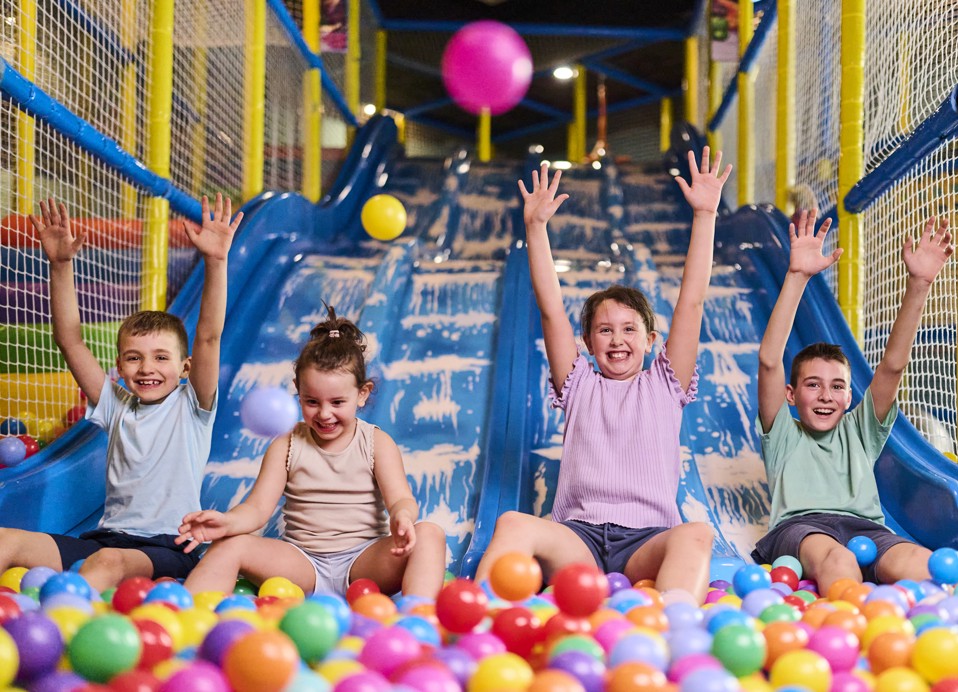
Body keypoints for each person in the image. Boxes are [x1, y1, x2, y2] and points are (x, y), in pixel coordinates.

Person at [474, 147, 732, 606]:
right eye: (604, 330)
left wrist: (706, 215)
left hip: (647, 541)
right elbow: (550, 309)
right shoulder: (579, 384)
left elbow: (692, 301)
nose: (617, 339)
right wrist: (536, 228)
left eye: (629, 329)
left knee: (695, 534)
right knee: (513, 523)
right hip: (580, 540)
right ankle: (476, 618)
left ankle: (675, 627)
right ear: (588, 343)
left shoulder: (667, 383)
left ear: (651, 339)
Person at [0, 193, 241, 593]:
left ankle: (62, 632)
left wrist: (216, 262)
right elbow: (70, 341)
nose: (147, 368)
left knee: (107, 562)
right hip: (105, 539)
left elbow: (209, 336)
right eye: (134, 358)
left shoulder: (193, 405)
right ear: (119, 366)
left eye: (161, 357)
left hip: (167, 546)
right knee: (7, 537)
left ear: (184, 368)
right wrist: (60, 265)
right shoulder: (115, 405)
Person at [176, 307, 447, 599]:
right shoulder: (287, 444)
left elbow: (401, 499)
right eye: (312, 401)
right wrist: (226, 522)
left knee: (430, 534)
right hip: (302, 564)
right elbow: (257, 508)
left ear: (363, 394)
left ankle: (419, 618)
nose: (325, 413)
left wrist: (402, 516)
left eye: (337, 402)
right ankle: (187, 618)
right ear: (298, 391)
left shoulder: (376, 443)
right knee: (230, 544)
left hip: (365, 564)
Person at [752, 210, 954, 597]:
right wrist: (796, 278)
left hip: (868, 529)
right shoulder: (781, 433)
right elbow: (769, 361)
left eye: (837, 387)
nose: (826, 395)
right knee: (839, 561)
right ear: (792, 395)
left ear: (849, 396)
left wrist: (920, 285)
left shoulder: (860, 431)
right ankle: (853, 629)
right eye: (813, 385)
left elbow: (893, 367)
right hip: (802, 529)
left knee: (918, 562)